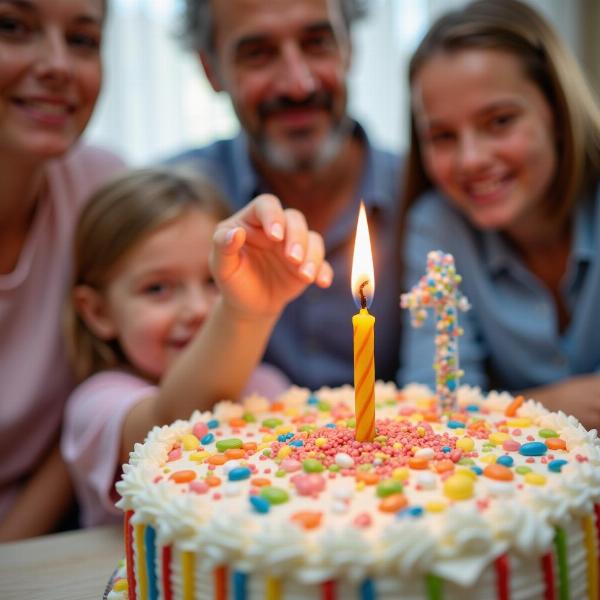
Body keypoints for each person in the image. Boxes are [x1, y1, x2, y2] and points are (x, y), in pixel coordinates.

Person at [60, 167, 332, 526]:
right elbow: (170, 428)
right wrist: (242, 313)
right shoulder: (97, 405)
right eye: (158, 288)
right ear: (97, 311)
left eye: (213, 280)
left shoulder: (267, 386)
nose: (199, 309)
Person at [168, 0, 403, 390]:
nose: (299, 85)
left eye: (317, 43)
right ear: (211, 70)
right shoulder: (171, 203)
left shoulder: (429, 189)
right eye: (258, 54)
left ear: (350, 48)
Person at [397, 0, 600, 429]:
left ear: (557, 112)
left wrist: (498, 408)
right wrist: (546, 405)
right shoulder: (437, 227)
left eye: (500, 121)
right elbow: (432, 403)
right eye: (443, 136)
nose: (471, 160)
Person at [0, 0, 125, 540]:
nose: (58, 66)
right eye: (12, 28)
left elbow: (95, 386)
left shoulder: (101, 188)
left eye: (82, 40)